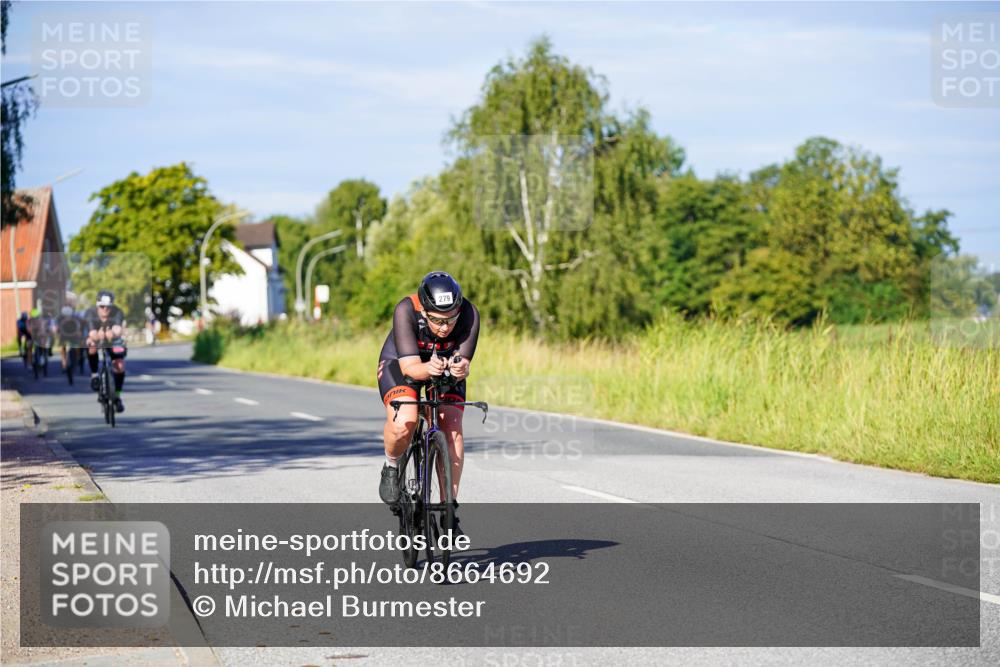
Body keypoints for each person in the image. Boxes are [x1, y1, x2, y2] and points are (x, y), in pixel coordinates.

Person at [376, 271, 480, 535]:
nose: (444, 327)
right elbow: (410, 368)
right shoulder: (406, 310)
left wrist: (461, 368)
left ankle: (449, 508)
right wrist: (427, 367)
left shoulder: (469, 313)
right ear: (424, 311)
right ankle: (391, 465)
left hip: (443, 367)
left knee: (452, 425)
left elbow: (465, 360)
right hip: (403, 364)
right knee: (405, 421)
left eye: (450, 320)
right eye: (436, 320)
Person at [84, 290, 127, 413]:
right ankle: (94, 375)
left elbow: (118, 329)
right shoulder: (90, 313)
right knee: (91, 346)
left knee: (119, 365)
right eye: (102, 306)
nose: (105, 310)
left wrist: (112, 333)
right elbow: (92, 333)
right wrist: (98, 336)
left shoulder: (118, 312)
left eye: (108, 307)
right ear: (97, 306)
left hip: (113, 339)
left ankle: (117, 395)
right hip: (96, 337)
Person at [56, 305, 86, 375]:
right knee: (62, 348)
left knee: (77, 347)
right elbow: (57, 328)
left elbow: (81, 326)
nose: (67, 318)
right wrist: (57, 331)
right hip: (64, 335)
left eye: (68, 316)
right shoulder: (60, 319)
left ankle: (78, 358)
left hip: (74, 335)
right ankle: (64, 364)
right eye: (65, 316)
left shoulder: (77, 319)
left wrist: (80, 332)